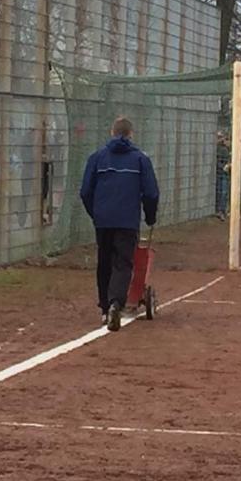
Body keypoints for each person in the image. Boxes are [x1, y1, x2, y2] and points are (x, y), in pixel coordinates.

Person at [80, 116, 159, 333]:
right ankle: (116, 303)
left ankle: (105, 308)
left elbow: (85, 191)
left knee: (104, 261)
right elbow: (151, 193)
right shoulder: (140, 159)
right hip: (127, 221)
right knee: (123, 262)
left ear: (111, 132)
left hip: (103, 220)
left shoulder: (97, 158)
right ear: (131, 134)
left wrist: (95, 213)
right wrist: (150, 216)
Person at [215, 133, 231, 221]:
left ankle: (223, 210)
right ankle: (220, 211)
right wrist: (223, 166)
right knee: (221, 192)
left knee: (224, 193)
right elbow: (217, 161)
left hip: (226, 173)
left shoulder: (227, 150)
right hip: (221, 173)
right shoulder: (220, 149)